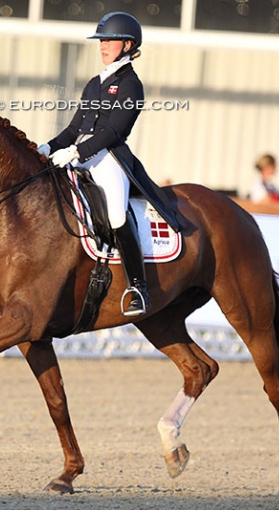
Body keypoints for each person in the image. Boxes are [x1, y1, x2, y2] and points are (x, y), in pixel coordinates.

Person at [37, 11, 179, 317]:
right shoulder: (93, 83)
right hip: (79, 153)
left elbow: (114, 131)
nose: (102, 45)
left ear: (127, 45)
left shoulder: (131, 85)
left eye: (109, 40)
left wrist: (76, 153)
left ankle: (138, 286)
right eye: (101, 40)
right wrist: (49, 146)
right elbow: (75, 128)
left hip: (109, 157)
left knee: (116, 214)